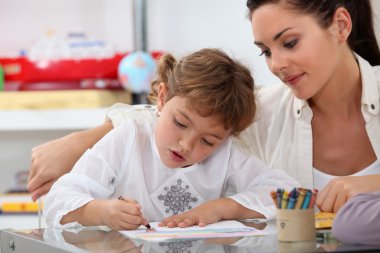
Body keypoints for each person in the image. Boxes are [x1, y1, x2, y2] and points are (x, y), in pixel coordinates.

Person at [29, 0, 380, 213]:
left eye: (290, 42)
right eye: (266, 51)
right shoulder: (266, 111)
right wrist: (85, 139)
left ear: (340, 26)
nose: (277, 65)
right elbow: (183, 112)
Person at [43, 48, 298, 230]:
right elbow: (58, 199)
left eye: (207, 141)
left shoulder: (225, 155)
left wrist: (220, 208)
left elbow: (289, 193)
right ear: (163, 98)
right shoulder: (130, 137)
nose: (187, 145)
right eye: (180, 123)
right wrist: (101, 211)